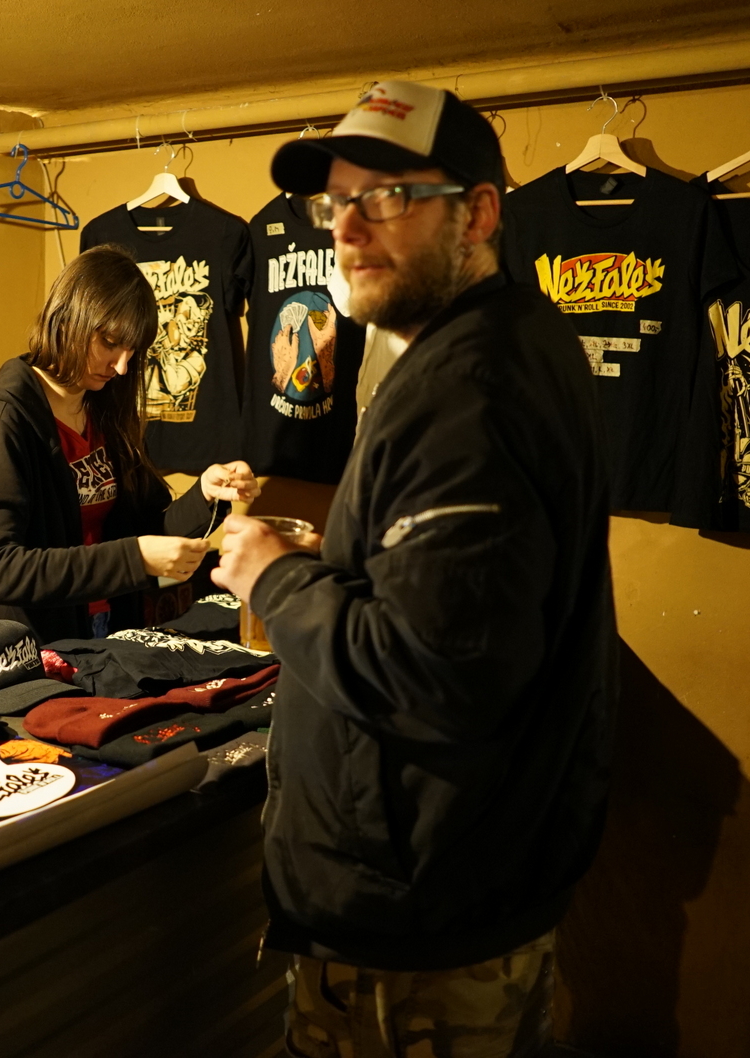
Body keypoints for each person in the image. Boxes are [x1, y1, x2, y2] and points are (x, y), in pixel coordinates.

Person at [212, 80, 617, 1058]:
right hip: (461, 882)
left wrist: (273, 575)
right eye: (336, 203)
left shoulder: (466, 391)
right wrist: (345, 565)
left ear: (476, 214)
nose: (348, 229)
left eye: (387, 198)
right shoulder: (509, 339)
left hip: (416, 926)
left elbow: (430, 673)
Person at [0, 244, 258, 644]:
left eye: (131, 351)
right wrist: (134, 558)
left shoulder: (105, 410)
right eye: (111, 343)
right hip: (35, 647)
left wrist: (205, 494)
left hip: (108, 630)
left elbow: (146, 531)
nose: (121, 366)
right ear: (70, 319)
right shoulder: (2, 418)